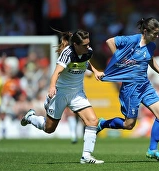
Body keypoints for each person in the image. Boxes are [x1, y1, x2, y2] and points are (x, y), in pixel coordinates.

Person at [20, 28, 105, 164]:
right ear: (76, 45)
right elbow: (56, 73)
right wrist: (52, 87)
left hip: (77, 93)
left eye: (88, 44)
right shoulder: (67, 54)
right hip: (60, 93)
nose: (88, 47)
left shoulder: (88, 51)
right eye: (85, 45)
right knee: (49, 129)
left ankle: (86, 156)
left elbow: (85, 62)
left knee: (92, 121)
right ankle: (31, 117)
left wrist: (95, 71)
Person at [97, 17, 159, 161]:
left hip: (145, 85)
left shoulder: (151, 46)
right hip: (130, 88)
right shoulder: (132, 40)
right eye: (154, 33)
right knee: (129, 125)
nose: (157, 36)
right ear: (145, 31)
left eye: (158, 33)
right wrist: (119, 58)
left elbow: (150, 59)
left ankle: (152, 150)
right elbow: (110, 41)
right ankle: (103, 123)